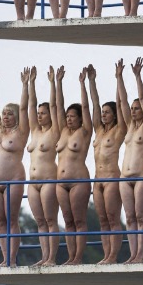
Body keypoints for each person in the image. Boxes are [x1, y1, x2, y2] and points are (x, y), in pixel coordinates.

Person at [0, 62, 29, 266]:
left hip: (13, 178)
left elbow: (24, 107)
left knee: (11, 220)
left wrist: (25, 86)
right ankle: (5, 258)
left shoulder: (21, 132)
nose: (5, 116)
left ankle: (12, 258)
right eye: (4, 114)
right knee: (0, 221)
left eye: (9, 113)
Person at [87, 63, 127, 263]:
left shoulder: (119, 130)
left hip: (112, 177)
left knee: (112, 218)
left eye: (107, 112)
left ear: (114, 114)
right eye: (103, 112)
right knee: (102, 220)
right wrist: (91, 81)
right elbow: (94, 105)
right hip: (97, 179)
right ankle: (106, 254)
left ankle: (113, 255)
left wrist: (118, 78)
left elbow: (121, 105)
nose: (103, 114)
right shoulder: (99, 130)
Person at [54, 69, 94, 264]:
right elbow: (57, 106)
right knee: (68, 222)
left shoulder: (85, 131)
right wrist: (57, 82)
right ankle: (71, 256)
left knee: (79, 221)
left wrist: (83, 84)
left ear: (79, 118)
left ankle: (78, 257)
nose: (69, 119)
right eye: (68, 116)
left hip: (78, 180)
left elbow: (86, 107)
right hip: (60, 183)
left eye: (72, 116)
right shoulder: (62, 131)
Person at [24, 65, 62, 266]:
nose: (39, 115)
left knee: (50, 220)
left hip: (48, 179)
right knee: (39, 222)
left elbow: (56, 106)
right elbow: (29, 107)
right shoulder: (35, 131)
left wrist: (53, 83)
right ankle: (44, 256)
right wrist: (30, 84)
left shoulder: (54, 130)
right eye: (39, 113)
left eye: (43, 113)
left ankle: (52, 258)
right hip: (33, 182)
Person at [116, 58, 143, 262]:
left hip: (141, 174)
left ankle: (140, 254)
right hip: (124, 176)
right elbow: (122, 102)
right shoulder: (130, 126)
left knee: (140, 216)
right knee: (129, 217)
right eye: (133, 108)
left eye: (137, 108)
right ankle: (132, 253)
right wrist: (119, 77)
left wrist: (139, 76)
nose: (133, 110)